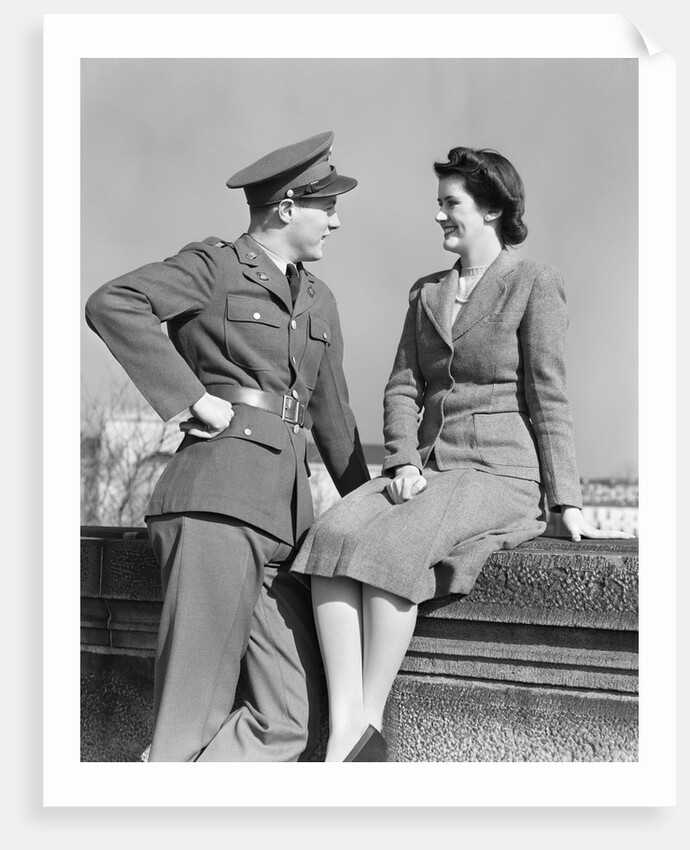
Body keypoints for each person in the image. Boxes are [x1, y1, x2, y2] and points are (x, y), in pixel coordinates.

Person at [289, 145, 634, 762]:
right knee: (333, 532)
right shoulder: (426, 292)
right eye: (440, 203)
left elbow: (548, 395)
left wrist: (569, 501)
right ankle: (349, 727)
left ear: (493, 210)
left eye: (452, 204)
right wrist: (402, 463)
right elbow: (402, 386)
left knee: (393, 547)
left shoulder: (534, 283)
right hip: (430, 467)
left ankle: (369, 718)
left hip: (501, 471)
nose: (440, 216)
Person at [85, 131, 370, 762]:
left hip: (287, 525)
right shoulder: (216, 267)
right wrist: (190, 399)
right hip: (217, 502)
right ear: (287, 207)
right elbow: (114, 303)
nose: (338, 221)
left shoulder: (321, 300)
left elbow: (335, 418)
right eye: (327, 205)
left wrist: (374, 506)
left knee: (290, 721)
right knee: (191, 715)